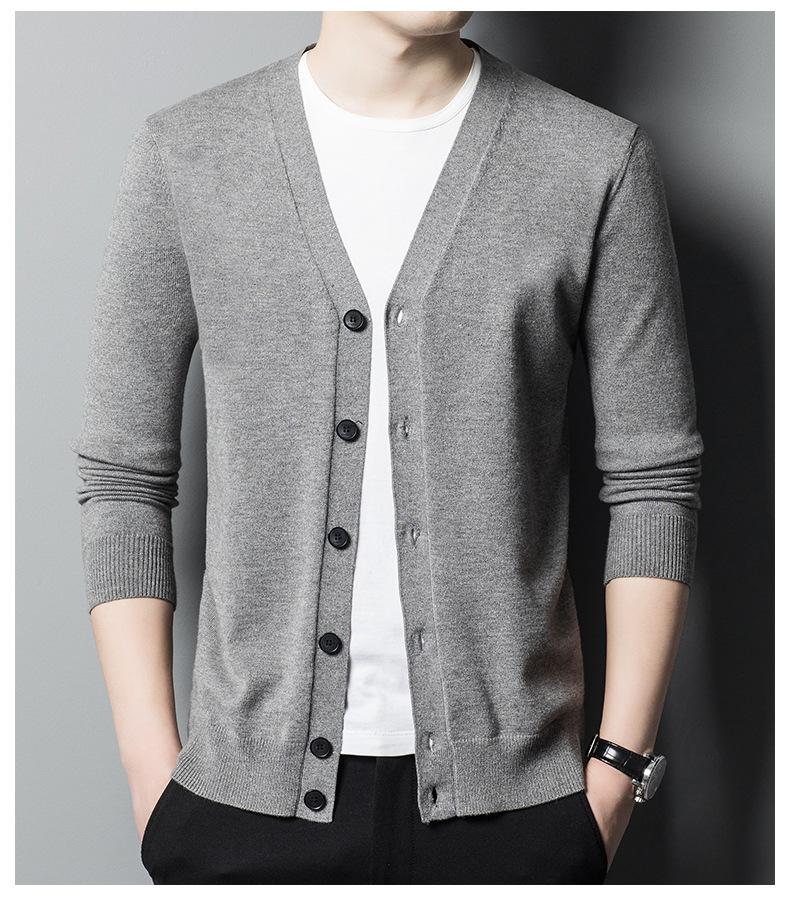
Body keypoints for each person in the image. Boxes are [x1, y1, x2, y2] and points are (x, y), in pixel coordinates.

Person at [73, 10, 704, 885]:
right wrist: (155, 781)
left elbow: (653, 480)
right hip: (243, 811)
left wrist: (613, 779)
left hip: (522, 810)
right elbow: (122, 476)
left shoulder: (593, 160)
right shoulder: (190, 154)